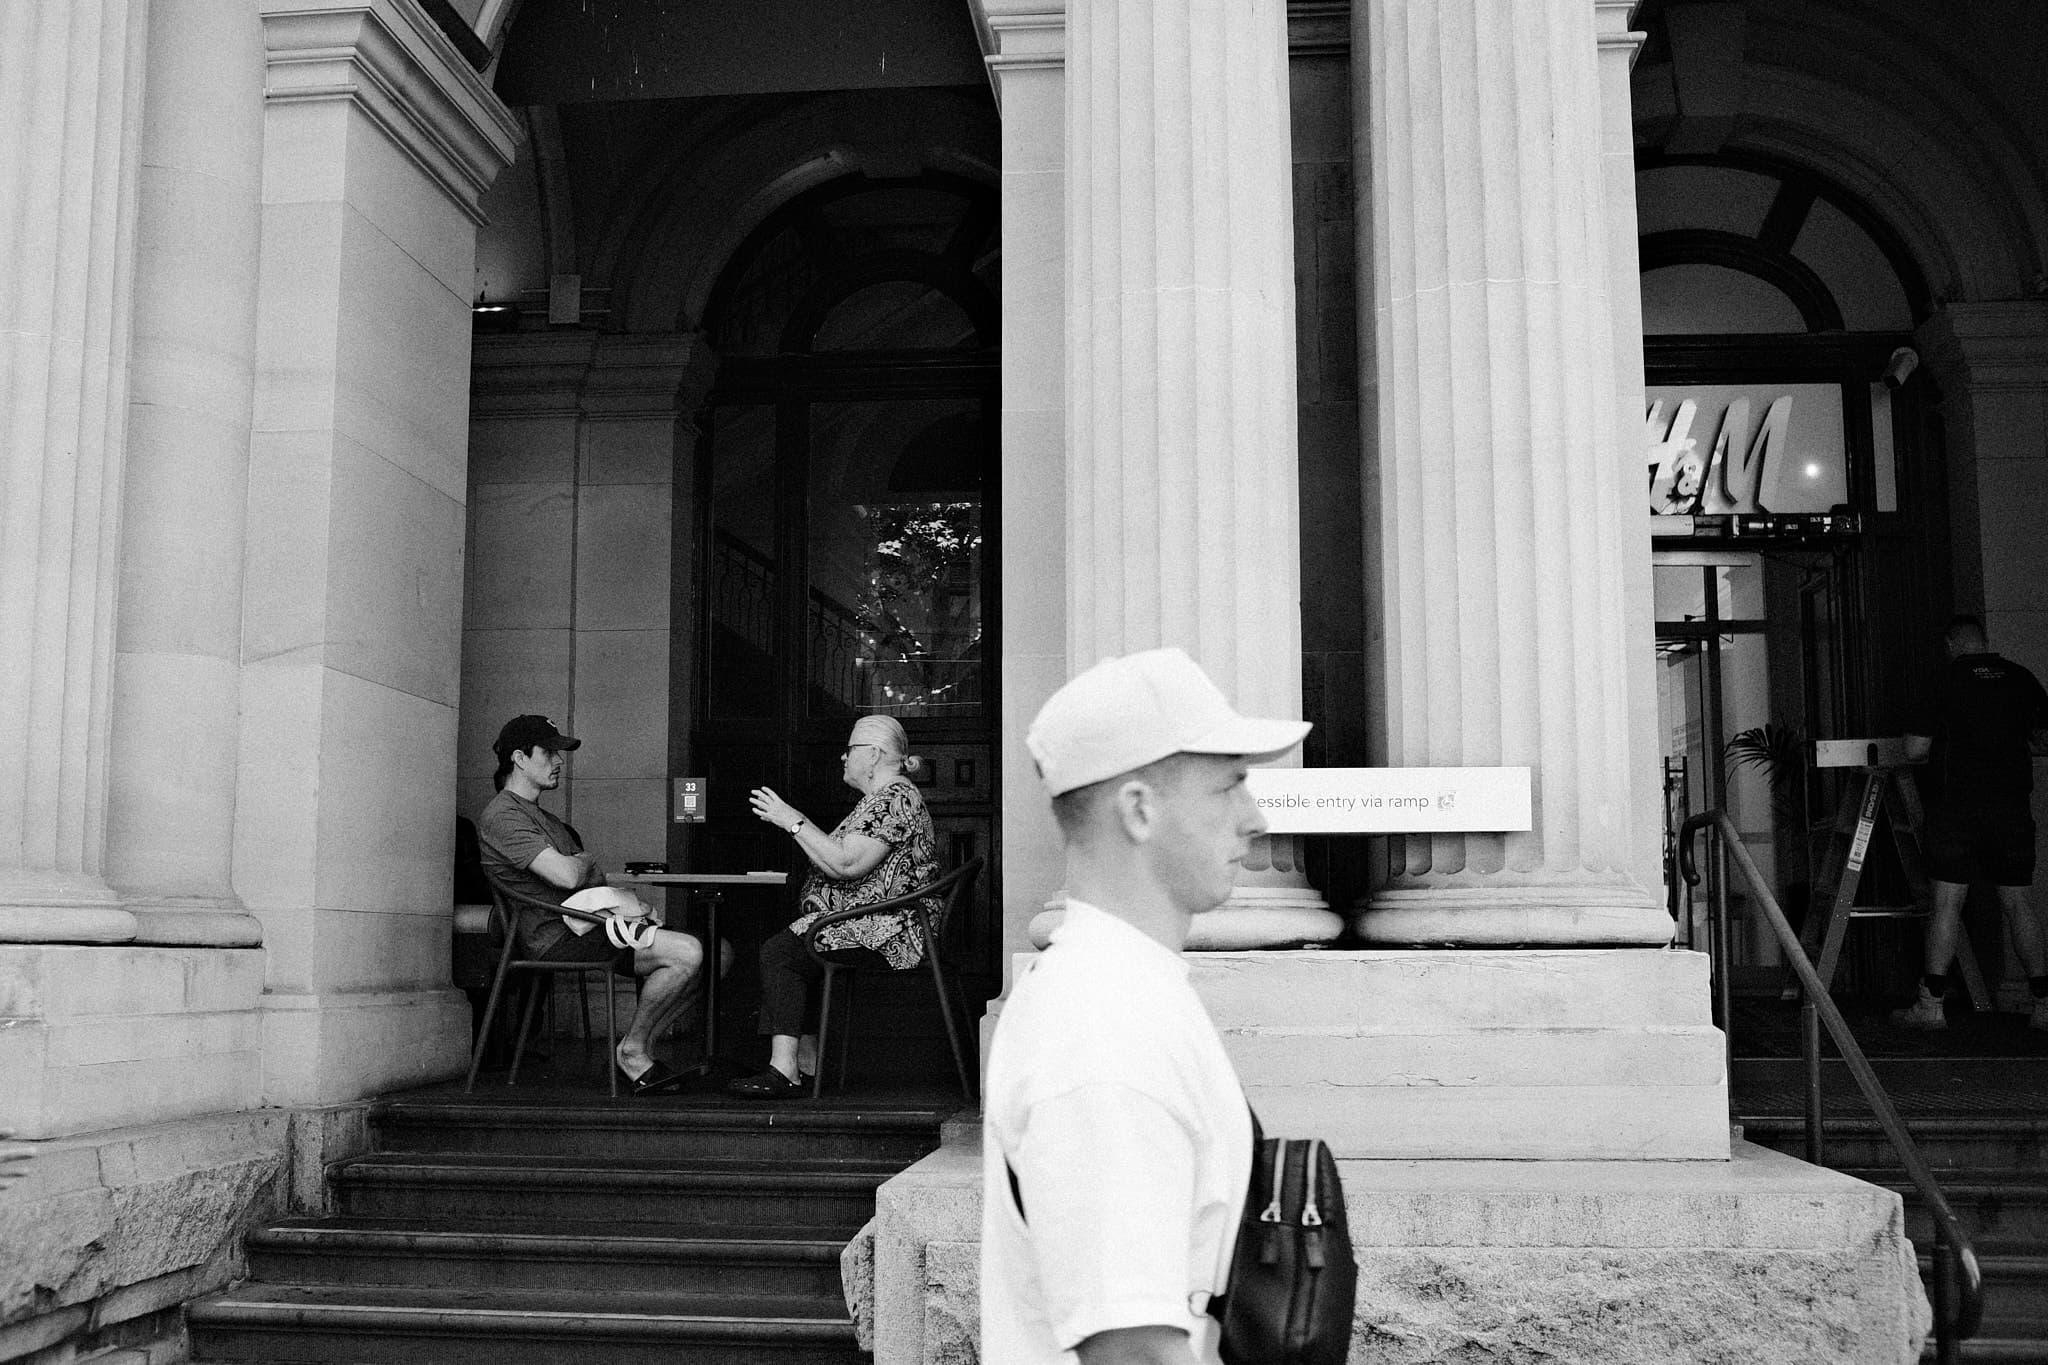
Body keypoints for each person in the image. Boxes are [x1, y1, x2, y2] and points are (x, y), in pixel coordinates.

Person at [981, 647, 1310, 1365]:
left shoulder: (1125, 993)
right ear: (1139, 808)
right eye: (1230, 786)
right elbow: (1135, 1351)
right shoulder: (1102, 1026)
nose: (1254, 818)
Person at [476, 714, 710, 1094]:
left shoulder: (541, 816)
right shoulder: (503, 815)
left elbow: (580, 874)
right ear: (519, 758)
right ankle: (633, 1052)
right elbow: (569, 876)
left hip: (586, 925)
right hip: (555, 937)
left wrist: (582, 867)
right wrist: (584, 862)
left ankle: (640, 1051)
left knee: (718, 953)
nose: (559, 761)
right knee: (688, 953)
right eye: (549, 752)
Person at [730, 714, 939, 1099]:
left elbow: (846, 864)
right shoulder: (880, 799)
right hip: (866, 921)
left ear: (873, 754)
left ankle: (786, 1068)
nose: (843, 758)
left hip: (893, 929)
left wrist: (791, 820)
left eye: (850, 750)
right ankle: (804, 1066)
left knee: (782, 952)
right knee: (793, 943)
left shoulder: (895, 798)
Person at [1892, 617, 2048, 1031]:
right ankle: (2045, 1004)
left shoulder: (1943, 681)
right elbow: (2043, 740)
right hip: (2011, 807)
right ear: (1984, 640)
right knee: (2018, 904)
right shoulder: (2020, 678)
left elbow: (1914, 747)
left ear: (1950, 644)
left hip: (1956, 808)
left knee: (1947, 903)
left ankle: (1932, 1005)